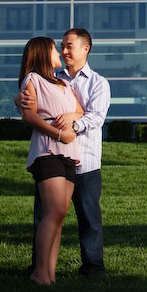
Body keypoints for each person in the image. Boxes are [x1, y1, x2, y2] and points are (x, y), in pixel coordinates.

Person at [17, 28, 111, 278]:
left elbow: (96, 116)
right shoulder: (50, 77)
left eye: (69, 46)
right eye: (61, 46)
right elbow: (32, 107)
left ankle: (93, 268)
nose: (64, 51)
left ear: (85, 49)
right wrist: (20, 100)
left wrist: (73, 123)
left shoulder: (98, 83)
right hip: (53, 155)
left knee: (89, 217)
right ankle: (40, 268)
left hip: (86, 161)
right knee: (46, 215)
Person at [18, 36, 84, 285]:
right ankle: (39, 273)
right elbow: (29, 116)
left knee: (60, 215)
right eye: (54, 48)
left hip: (69, 154)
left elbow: (80, 111)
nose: (59, 52)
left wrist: (70, 116)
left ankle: (49, 275)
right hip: (47, 152)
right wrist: (59, 133)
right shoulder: (32, 79)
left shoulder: (63, 84)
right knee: (53, 212)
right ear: (42, 54)